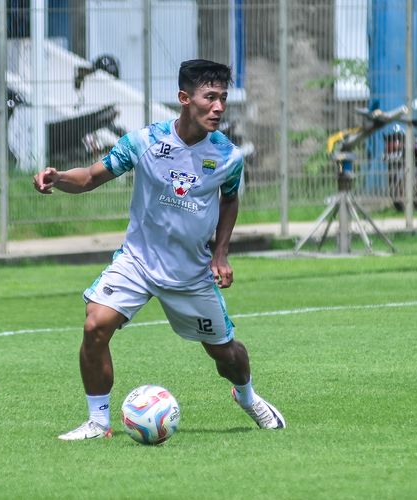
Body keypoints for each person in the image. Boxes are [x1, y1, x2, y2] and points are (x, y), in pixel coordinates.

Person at [33, 59, 285, 440]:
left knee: (226, 355)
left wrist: (220, 253)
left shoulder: (228, 157)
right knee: (95, 326)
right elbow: (88, 179)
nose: (218, 107)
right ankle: (98, 423)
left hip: (190, 272)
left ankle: (247, 396)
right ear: (184, 98)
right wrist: (58, 178)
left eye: (223, 99)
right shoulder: (144, 142)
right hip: (138, 261)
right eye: (209, 98)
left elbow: (230, 200)